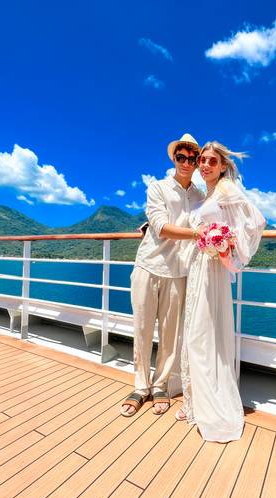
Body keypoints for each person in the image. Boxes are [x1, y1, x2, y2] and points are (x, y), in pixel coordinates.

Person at [175, 141, 266, 442]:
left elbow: (256, 221)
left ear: (223, 166)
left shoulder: (227, 189)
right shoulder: (209, 193)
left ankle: (209, 405)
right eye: (202, 160)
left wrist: (227, 247)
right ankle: (196, 401)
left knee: (201, 336)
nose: (204, 165)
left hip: (212, 269)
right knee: (200, 335)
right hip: (199, 268)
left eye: (212, 161)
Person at [121, 134, 205, 417]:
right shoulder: (158, 187)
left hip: (179, 271)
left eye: (192, 159)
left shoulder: (200, 197)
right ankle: (140, 386)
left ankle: (160, 386)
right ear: (174, 158)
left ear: (197, 162)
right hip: (148, 265)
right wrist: (199, 234)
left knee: (170, 336)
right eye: (181, 157)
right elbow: (161, 227)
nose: (186, 163)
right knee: (142, 330)